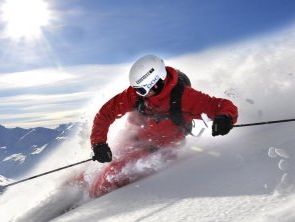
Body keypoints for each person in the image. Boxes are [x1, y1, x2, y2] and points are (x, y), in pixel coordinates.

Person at [88, 55, 238, 197]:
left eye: (141, 89)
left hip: (159, 150)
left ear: (157, 82)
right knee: (96, 170)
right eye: (136, 89)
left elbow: (221, 106)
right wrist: (98, 143)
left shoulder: (185, 98)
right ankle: (74, 191)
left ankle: (90, 203)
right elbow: (106, 113)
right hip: (131, 139)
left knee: (110, 177)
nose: (138, 93)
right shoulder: (135, 95)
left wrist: (225, 118)